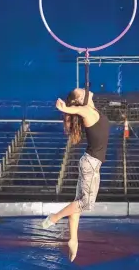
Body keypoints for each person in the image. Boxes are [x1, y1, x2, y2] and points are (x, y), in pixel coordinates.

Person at [42, 88, 109, 262]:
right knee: (84, 203)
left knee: (78, 202)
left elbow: (79, 107)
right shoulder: (85, 110)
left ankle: (73, 240)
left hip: (89, 162)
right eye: (80, 90)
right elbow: (76, 109)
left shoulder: (90, 108)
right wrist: (65, 108)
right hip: (91, 165)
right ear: (80, 98)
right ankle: (54, 217)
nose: (83, 88)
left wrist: (70, 107)